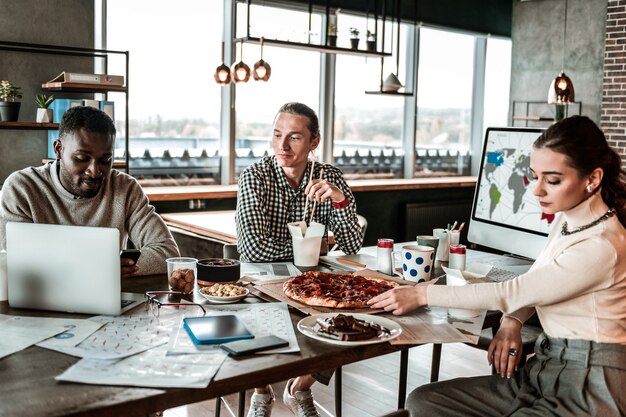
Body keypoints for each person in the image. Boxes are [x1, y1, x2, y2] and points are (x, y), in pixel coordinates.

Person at [369, 115, 626, 417]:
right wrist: (512, 321)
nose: (537, 190)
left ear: (592, 179)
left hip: (589, 384)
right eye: (535, 176)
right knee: (424, 402)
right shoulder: (568, 220)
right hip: (544, 368)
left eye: (552, 180)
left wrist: (422, 294)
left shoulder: (602, 246)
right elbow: (539, 281)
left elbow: (513, 290)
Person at [236, 102, 364, 417]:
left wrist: (340, 200)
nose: (282, 145)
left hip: (314, 281)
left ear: (313, 142)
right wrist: (312, 247)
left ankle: (299, 388)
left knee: (346, 322)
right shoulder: (256, 177)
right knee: (256, 321)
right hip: (262, 280)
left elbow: (351, 243)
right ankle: (262, 391)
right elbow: (252, 249)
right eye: (277, 134)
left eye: (294, 137)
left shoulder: (329, 176)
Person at [0, 105, 179, 277]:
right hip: (37, 303)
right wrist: (98, 267)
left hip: (107, 303)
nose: (94, 171)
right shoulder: (21, 188)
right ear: (58, 150)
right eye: (82, 158)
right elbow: (13, 262)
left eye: (105, 160)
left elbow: (167, 252)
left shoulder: (125, 188)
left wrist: (112, 268)